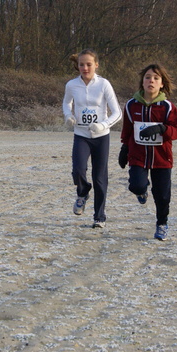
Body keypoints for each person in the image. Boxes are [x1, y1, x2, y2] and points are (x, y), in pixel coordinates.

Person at [119, 63, 177, 241]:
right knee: (136, 185)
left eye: (156, 78)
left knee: (162, 195)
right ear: (142, 82)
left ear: (162, 84)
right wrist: (124, 148)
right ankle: (142, 192)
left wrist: (162, 128)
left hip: (162, 158)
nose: (151, 81)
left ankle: (162, 224)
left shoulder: (167, 107)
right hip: (138, 156)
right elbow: (128, 130)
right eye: (147, 77)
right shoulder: (131, 105)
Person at [62, 49, 122, 228]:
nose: (85, 68)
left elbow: (117, 112)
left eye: (89, 64)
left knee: (99, 177)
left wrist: (103, 125)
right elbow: (66, 103)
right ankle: (83, 192)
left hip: (101, 137)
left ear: (96, 65)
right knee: (78, 170)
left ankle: (99, 217)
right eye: (81, 64)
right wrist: (68, 116)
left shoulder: (104, 84)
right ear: (77, 66)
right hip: (81, 135)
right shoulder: (72, 85)